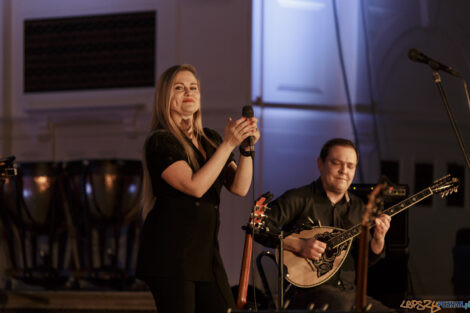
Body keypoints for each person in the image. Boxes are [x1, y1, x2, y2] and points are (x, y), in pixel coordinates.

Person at [136, 64, 260, 313]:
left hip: (205, 255)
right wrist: (228, 145)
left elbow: (240, 187)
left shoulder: (211, 139)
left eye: (193, 87)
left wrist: (245, 148)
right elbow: (195, 187)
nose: (188, 92)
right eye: (179, 88)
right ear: (165, 97)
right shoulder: (161, 141)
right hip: (170, 255)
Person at [255, 138, 392, 311]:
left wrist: (378, 239)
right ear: (321, 164)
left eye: (350, 166)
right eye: (337, 163)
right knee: (339, 305)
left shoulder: (359, 208)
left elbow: (365, 260)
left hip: (350, 293)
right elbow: (258, 226)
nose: (344, 171)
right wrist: (299, 245)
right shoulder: (299, 198)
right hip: (304, 293)